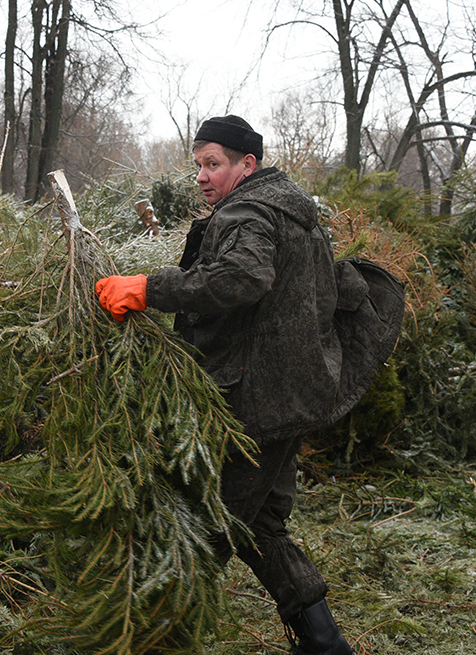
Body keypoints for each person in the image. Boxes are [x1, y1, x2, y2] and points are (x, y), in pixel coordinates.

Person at [95, 115, 354, 655]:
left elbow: (245, 276)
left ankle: (155, 637)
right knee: (260, 525)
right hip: (297, 395)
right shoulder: (298, 213)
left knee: (206, 522)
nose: (203, 177)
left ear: (247, 165)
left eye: (214, 164)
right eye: (198, 166)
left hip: (257, 406)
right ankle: (324, 644)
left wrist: (149, 287)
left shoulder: (249, 210)